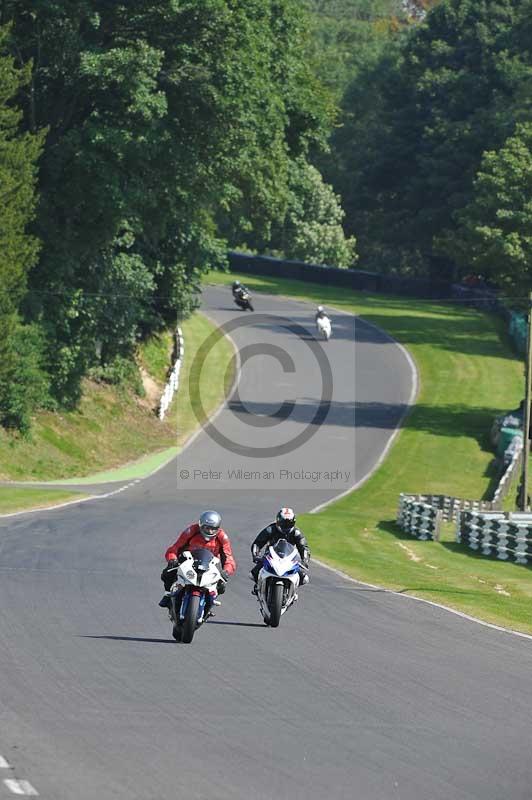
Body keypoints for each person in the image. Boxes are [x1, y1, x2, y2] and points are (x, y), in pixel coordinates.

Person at [159, 510, 236, 608]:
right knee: (168, 572)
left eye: (213, 529)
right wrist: (172, 559)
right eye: (207, 528)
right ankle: (167, 594)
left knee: (221, 585)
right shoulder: (191, 531)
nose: (210, 531)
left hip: (209, 565)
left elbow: (229, 557)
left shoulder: (222, 537)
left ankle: (208, 604)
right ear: (200, 526)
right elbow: (174, 548)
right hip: (188, 561)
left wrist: (226, 571)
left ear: (218, 528)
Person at [249, 508, 310, 593]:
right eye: (284, 523)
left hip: (289, 558)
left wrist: (305, 560)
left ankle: (293, 591)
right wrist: (256, 555)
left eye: (289, 523)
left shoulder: (296, 533)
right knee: (253, 574)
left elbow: (304, 547)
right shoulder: (270, 529)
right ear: (278, 521)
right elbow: (257, 543)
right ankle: (258, 586)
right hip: (270, 557)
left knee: (304, 579)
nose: (286, 525)